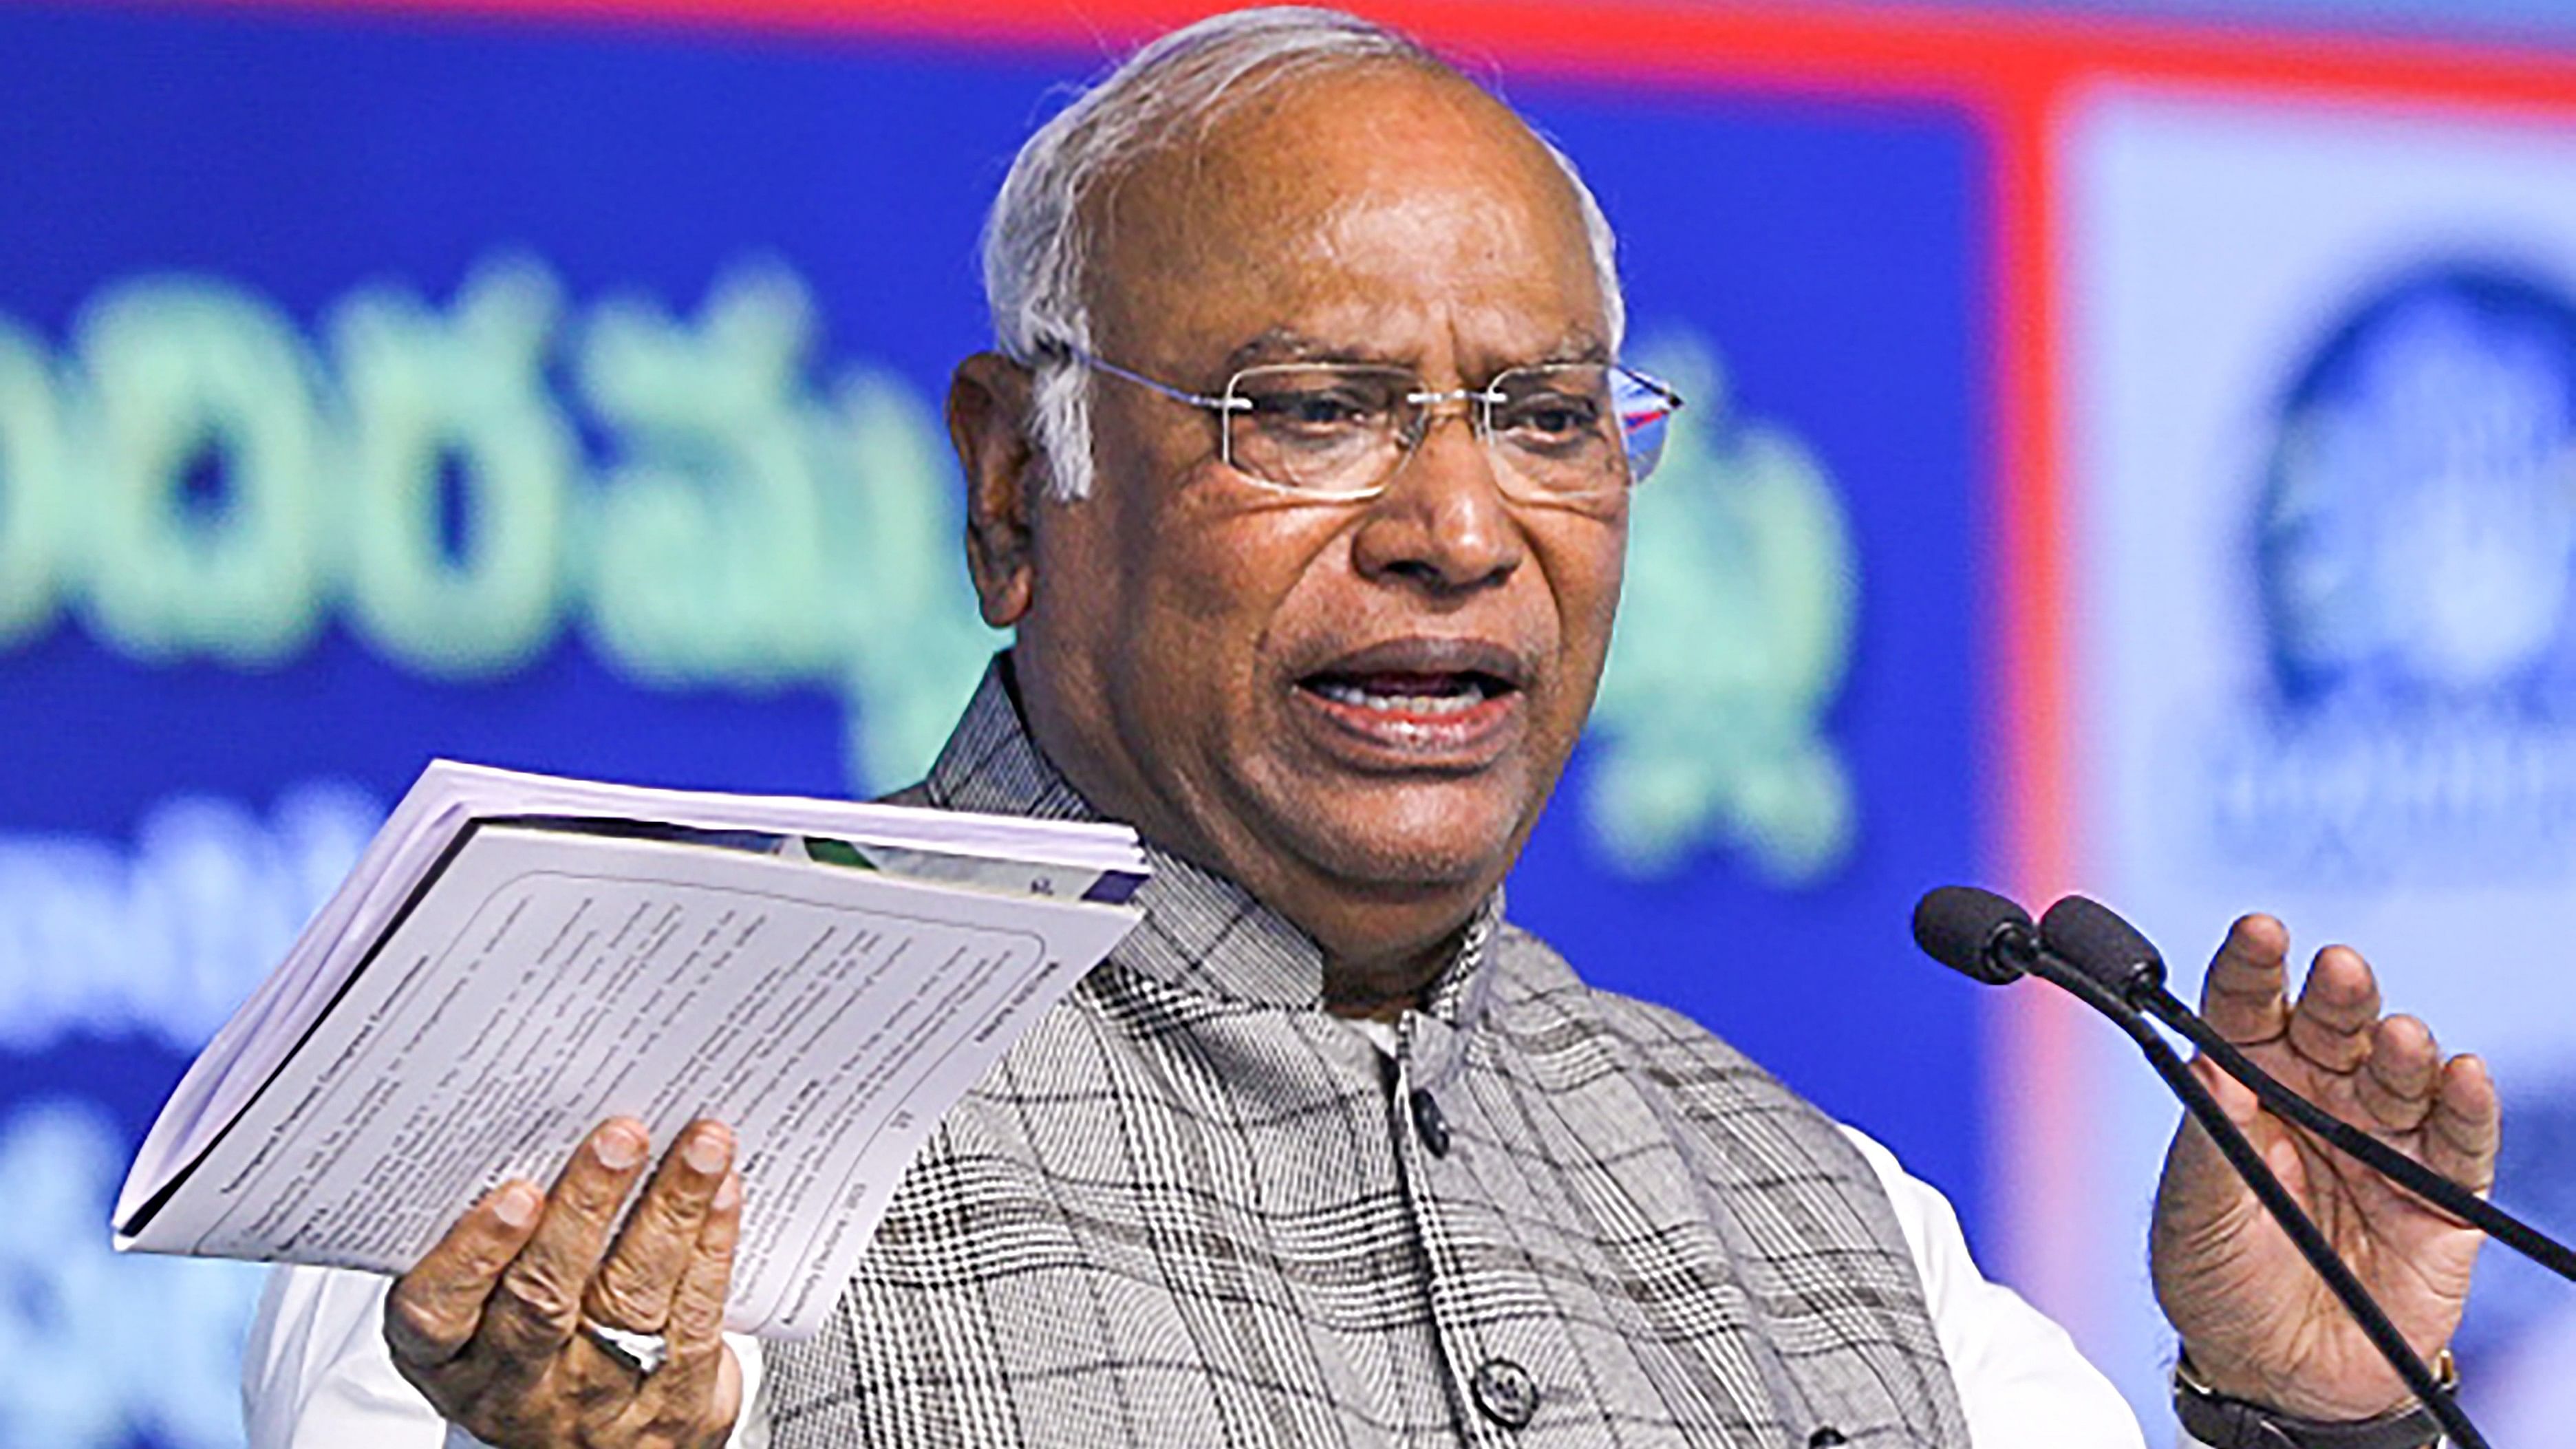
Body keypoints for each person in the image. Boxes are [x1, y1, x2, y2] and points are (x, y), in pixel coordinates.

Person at [243, 8, 2500, 1447]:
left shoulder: (1828, 1218)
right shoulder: (591, 1132)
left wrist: (2322, 1414)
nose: (1457, 523)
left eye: (1543, 416)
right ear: (1021, 490)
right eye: (1307, 410)